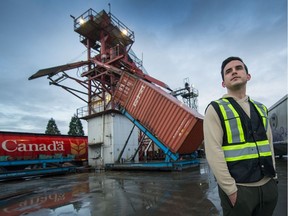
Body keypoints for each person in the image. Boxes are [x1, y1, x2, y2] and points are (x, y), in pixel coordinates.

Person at [204, 56, 278, 216]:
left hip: (268, 187)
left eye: (238, 68)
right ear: (223, 83)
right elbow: (213, 152)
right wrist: (231, 190)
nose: (234, 72)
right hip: (240, 191)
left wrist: (274, 178)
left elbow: (269, 144)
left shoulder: (261, 108)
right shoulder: (215, 109)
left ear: (248, 76)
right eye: (228, 71)